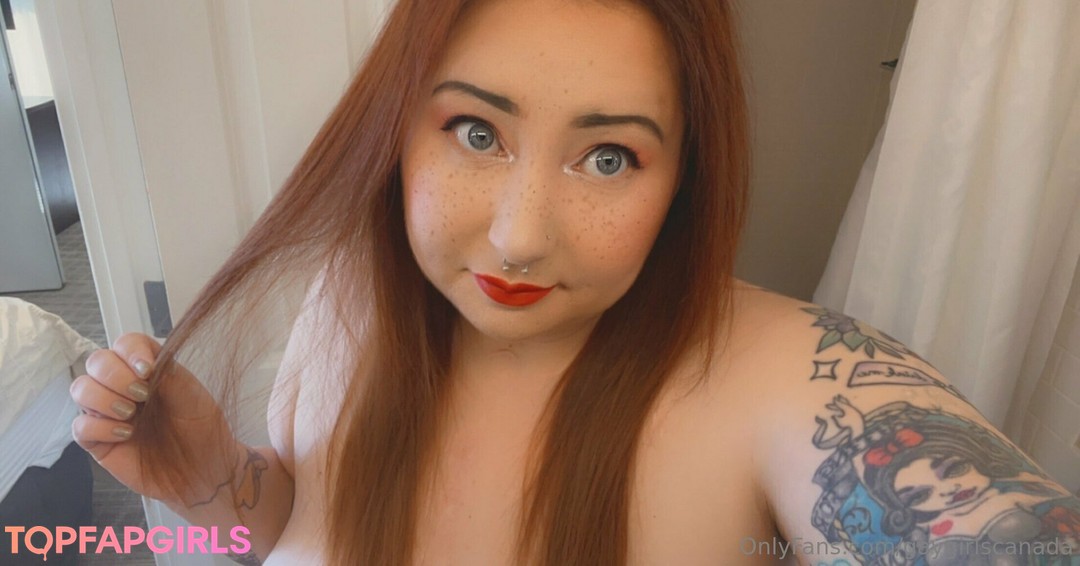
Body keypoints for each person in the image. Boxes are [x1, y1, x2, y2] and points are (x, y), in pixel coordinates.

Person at [68, 0, 1080, 564]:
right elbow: (290, 531)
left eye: (607, 157)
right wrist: (216, 485)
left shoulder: (776, 377)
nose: (518, 238)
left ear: (683, 178)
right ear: (398, 129)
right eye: (476, 132)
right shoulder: (351, 300)